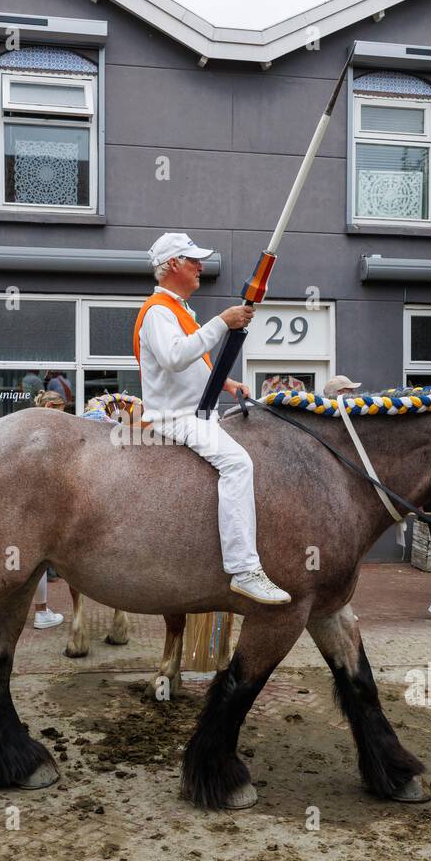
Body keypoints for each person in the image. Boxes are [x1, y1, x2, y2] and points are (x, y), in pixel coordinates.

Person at [136, 232, 289, 605]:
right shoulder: (158, 311)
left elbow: (191, 368)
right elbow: (175, 357)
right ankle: (243, 569)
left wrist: (227, 384)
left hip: (193, 412)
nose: (200, 266)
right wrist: (222, 321)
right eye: (193, 260)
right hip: (174, 418)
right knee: (238, 464)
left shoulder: (180, 311)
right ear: (173, 265)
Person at [30, 389, 68, 629]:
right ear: (52, 408)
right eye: (63, 411)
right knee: (39, 562)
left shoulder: (30, 427)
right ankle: (41, 612)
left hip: (31, 502)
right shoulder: (47, 431)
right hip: (40, 504)